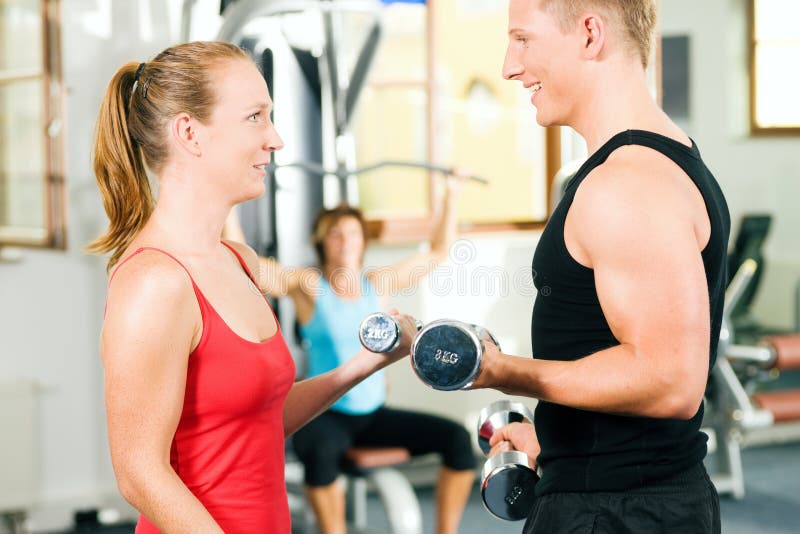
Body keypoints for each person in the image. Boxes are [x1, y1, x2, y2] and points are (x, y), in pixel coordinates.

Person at [86, 41, 418, 534]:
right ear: (189, 133)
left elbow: (258, 420)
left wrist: (364, 365)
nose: (276, 139)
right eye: (254, 117)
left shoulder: (237, 260)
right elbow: (139, 473)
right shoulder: (155, 281)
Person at [472, 1, 730, 532]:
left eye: (523, 39)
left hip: (616, 514)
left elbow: (670, 383)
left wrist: (502, 371)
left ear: (590, 34)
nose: (509, 66)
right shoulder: (656, 161)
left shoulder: (625, 183)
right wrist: (557, 444)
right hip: (622, 499)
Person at [223, 181, 476, 534]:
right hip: (326, 416)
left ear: (363, 241)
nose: (346, 241)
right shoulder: (309, 285)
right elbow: (248, 268)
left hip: (373, 416)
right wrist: (229, 202)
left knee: (458, 440)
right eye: (336, 234)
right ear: (322, 242)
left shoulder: (378, 284)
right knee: (319, 451)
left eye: (353, 233)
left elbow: (437, 253)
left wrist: (451, 196)